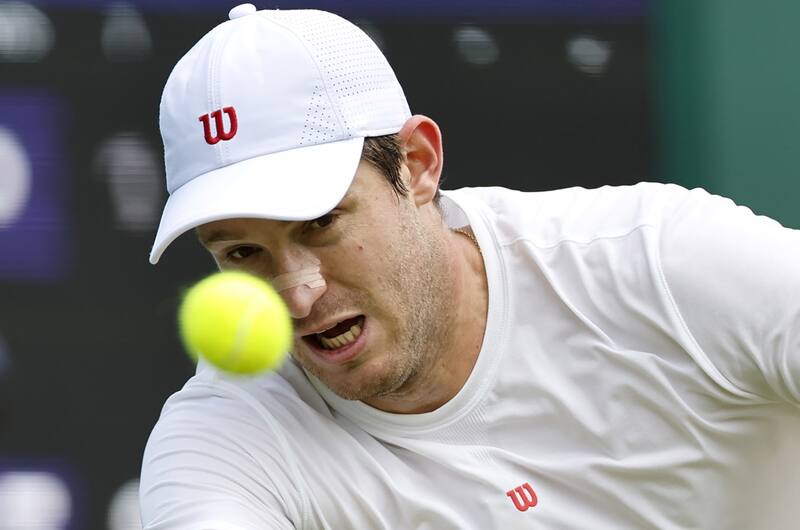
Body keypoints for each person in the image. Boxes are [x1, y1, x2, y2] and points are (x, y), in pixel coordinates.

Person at [139, 4, 800, 529]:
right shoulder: (221, 442)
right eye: (241, 253)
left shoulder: (663, 260)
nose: (298, 294)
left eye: (322, 222)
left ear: (418, 164)